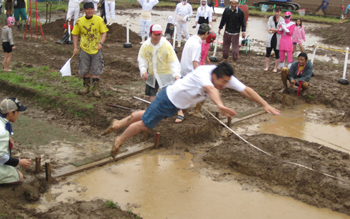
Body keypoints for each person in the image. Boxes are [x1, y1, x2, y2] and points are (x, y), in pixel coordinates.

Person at [102, 62, 280, 158]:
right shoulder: (203, 72)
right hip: (168, 99)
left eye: (227, 82)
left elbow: (246, 90)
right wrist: (219, 105)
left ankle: (119, 123)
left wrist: (264, 104)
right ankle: (119, 139)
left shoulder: (223, 75)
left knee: (148, 115)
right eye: (222, 82)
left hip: (177, 104)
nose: (225, 85)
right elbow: (211, 90)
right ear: (213, 76)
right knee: (145, 125)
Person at [72, 2, 109, 98]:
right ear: (84, 10)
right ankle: (86, 88)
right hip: (84, 49)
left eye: (91, 9)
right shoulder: (79, 21)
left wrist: (101, 43)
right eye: (87, 9)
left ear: (94, 9)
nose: (89, 11)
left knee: (96, 69)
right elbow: (75, 34)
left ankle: (96, 90)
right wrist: (75, 47)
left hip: (96, 49)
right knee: (84, 69)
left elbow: (104, 32)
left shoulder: (99, 20)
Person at [175, 23, 211, 123]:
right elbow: (195, 62)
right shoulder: (197, 44)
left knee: (186, 92)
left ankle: (185, 110)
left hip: (183, 70)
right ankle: (196, 111)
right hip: (189, 72)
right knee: (206, 89)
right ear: (206, 33)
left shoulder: (191, 39)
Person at [138, 24, 181, 103]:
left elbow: (173, 60)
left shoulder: (166, 45)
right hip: (152, 74)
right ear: (150, 34)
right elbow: (142, 59)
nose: (158, 37)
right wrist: (143, 70)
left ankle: (173, 111)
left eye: (159, 34)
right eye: (155, 35)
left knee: (168, 93)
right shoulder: (145, 45)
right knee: (152, 92)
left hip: (166, 74)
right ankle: (153, 110)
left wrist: (176, 74)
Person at [0, 97, 31, 184]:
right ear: (10, 113)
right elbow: (1, 157)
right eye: (17, 112)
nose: (18, 114)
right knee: (19, 176)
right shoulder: (2, 131)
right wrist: (19, 162)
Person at [218, 0, 246, 66]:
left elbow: (243, 22)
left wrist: (243, 31)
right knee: (225, 46)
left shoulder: (240, 12)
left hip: (236, 32)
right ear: (230, 3)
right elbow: (223, 20)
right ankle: (225, 58)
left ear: (237, 4)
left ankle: (234, 60)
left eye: (235, 3)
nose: (234, 5)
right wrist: (220, 28)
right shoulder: (227, 10)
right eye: (232, 3)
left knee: (235, 48)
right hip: (227, 31)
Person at [265, 7, 284, 72]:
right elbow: (268, 27)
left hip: (278, 38)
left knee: (277, 53)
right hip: (271, 37)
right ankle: (267, 66)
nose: (277, 13)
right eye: (276, 11)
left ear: (280, 12)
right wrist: (276, 30)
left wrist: (274, 30)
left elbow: (281, 30)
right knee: (268, 52)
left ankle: (275, 68)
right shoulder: (271, 18)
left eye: (278, 12)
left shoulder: (282, 20)